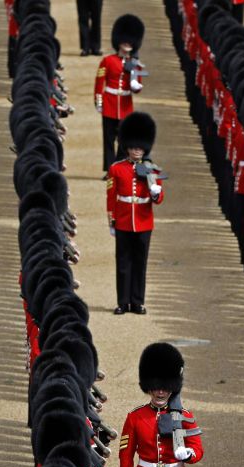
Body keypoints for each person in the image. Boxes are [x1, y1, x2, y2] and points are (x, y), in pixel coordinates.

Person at [106, 112, 164, 315]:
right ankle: (123, 302)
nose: (137, 151)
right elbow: (111, 197)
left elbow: (158, 198)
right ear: (127, 147)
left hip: (143, 221)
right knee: (123, 263)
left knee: (140, 263)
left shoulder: (152, 170)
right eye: (133, 147)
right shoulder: (116, 169)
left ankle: (137, 301)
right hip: (123, 221)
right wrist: (112, 221)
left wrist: (156, 193)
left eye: (140, 147)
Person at [95, 14, 145, 175]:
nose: (127, 44)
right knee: (108, 140)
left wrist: (135, 85)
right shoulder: (108, 61)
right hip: (110, 102)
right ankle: (109, 169)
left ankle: (118, 167)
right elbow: (99, 82)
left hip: (125, 104)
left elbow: (137, 87)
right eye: (124, 41)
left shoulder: (135, 63)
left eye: (130, 41)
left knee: (124, 140)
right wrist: (99, 101)